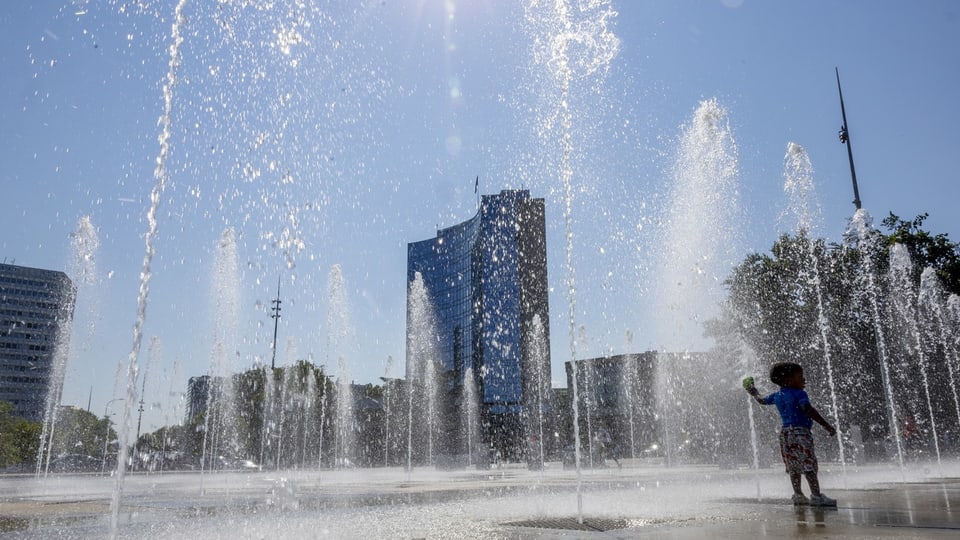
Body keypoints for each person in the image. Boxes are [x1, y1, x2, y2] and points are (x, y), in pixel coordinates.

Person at [743, 362, 837, 507]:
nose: (804, 379)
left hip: (785, 434)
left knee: (793, 466)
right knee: (809, 464)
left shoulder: (777, 395)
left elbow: (761, 400)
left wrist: (752, 390)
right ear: (788, 380)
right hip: (801, 433)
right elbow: (807, 409)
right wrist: (827, 426)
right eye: (800, 376)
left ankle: (798, 495)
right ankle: (816, 496)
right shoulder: (800, 393)